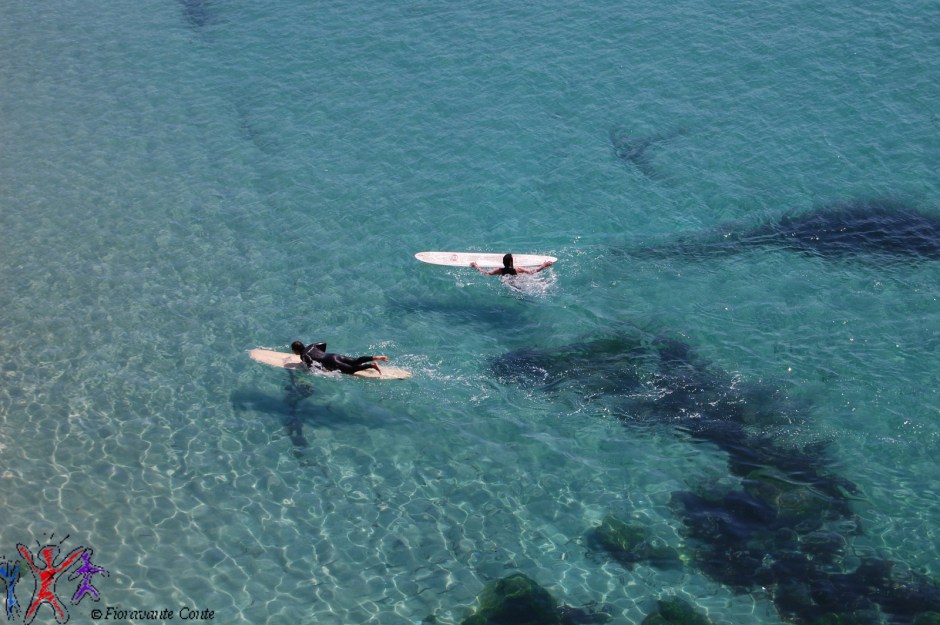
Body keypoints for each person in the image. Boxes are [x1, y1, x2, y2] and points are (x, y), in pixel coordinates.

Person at [290, 341, 388, 375]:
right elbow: (323, 344)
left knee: (350, 370)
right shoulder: (311, 346)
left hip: (332, 362)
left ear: (296, 350)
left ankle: (371, 365)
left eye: (293, 350)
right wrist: (320, 356)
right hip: (334, 356)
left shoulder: (303, 356)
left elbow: (311, 366)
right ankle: (375, 357)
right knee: (355, 361)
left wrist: (320, 370)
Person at [470, 253, 553, 276]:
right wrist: (544, 265)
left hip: (508, 283)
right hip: (519, 281)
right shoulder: (518, 269)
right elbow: (532, 272)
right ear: (511, 262)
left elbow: (486, 273)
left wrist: (476, 266)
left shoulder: (499, 270)